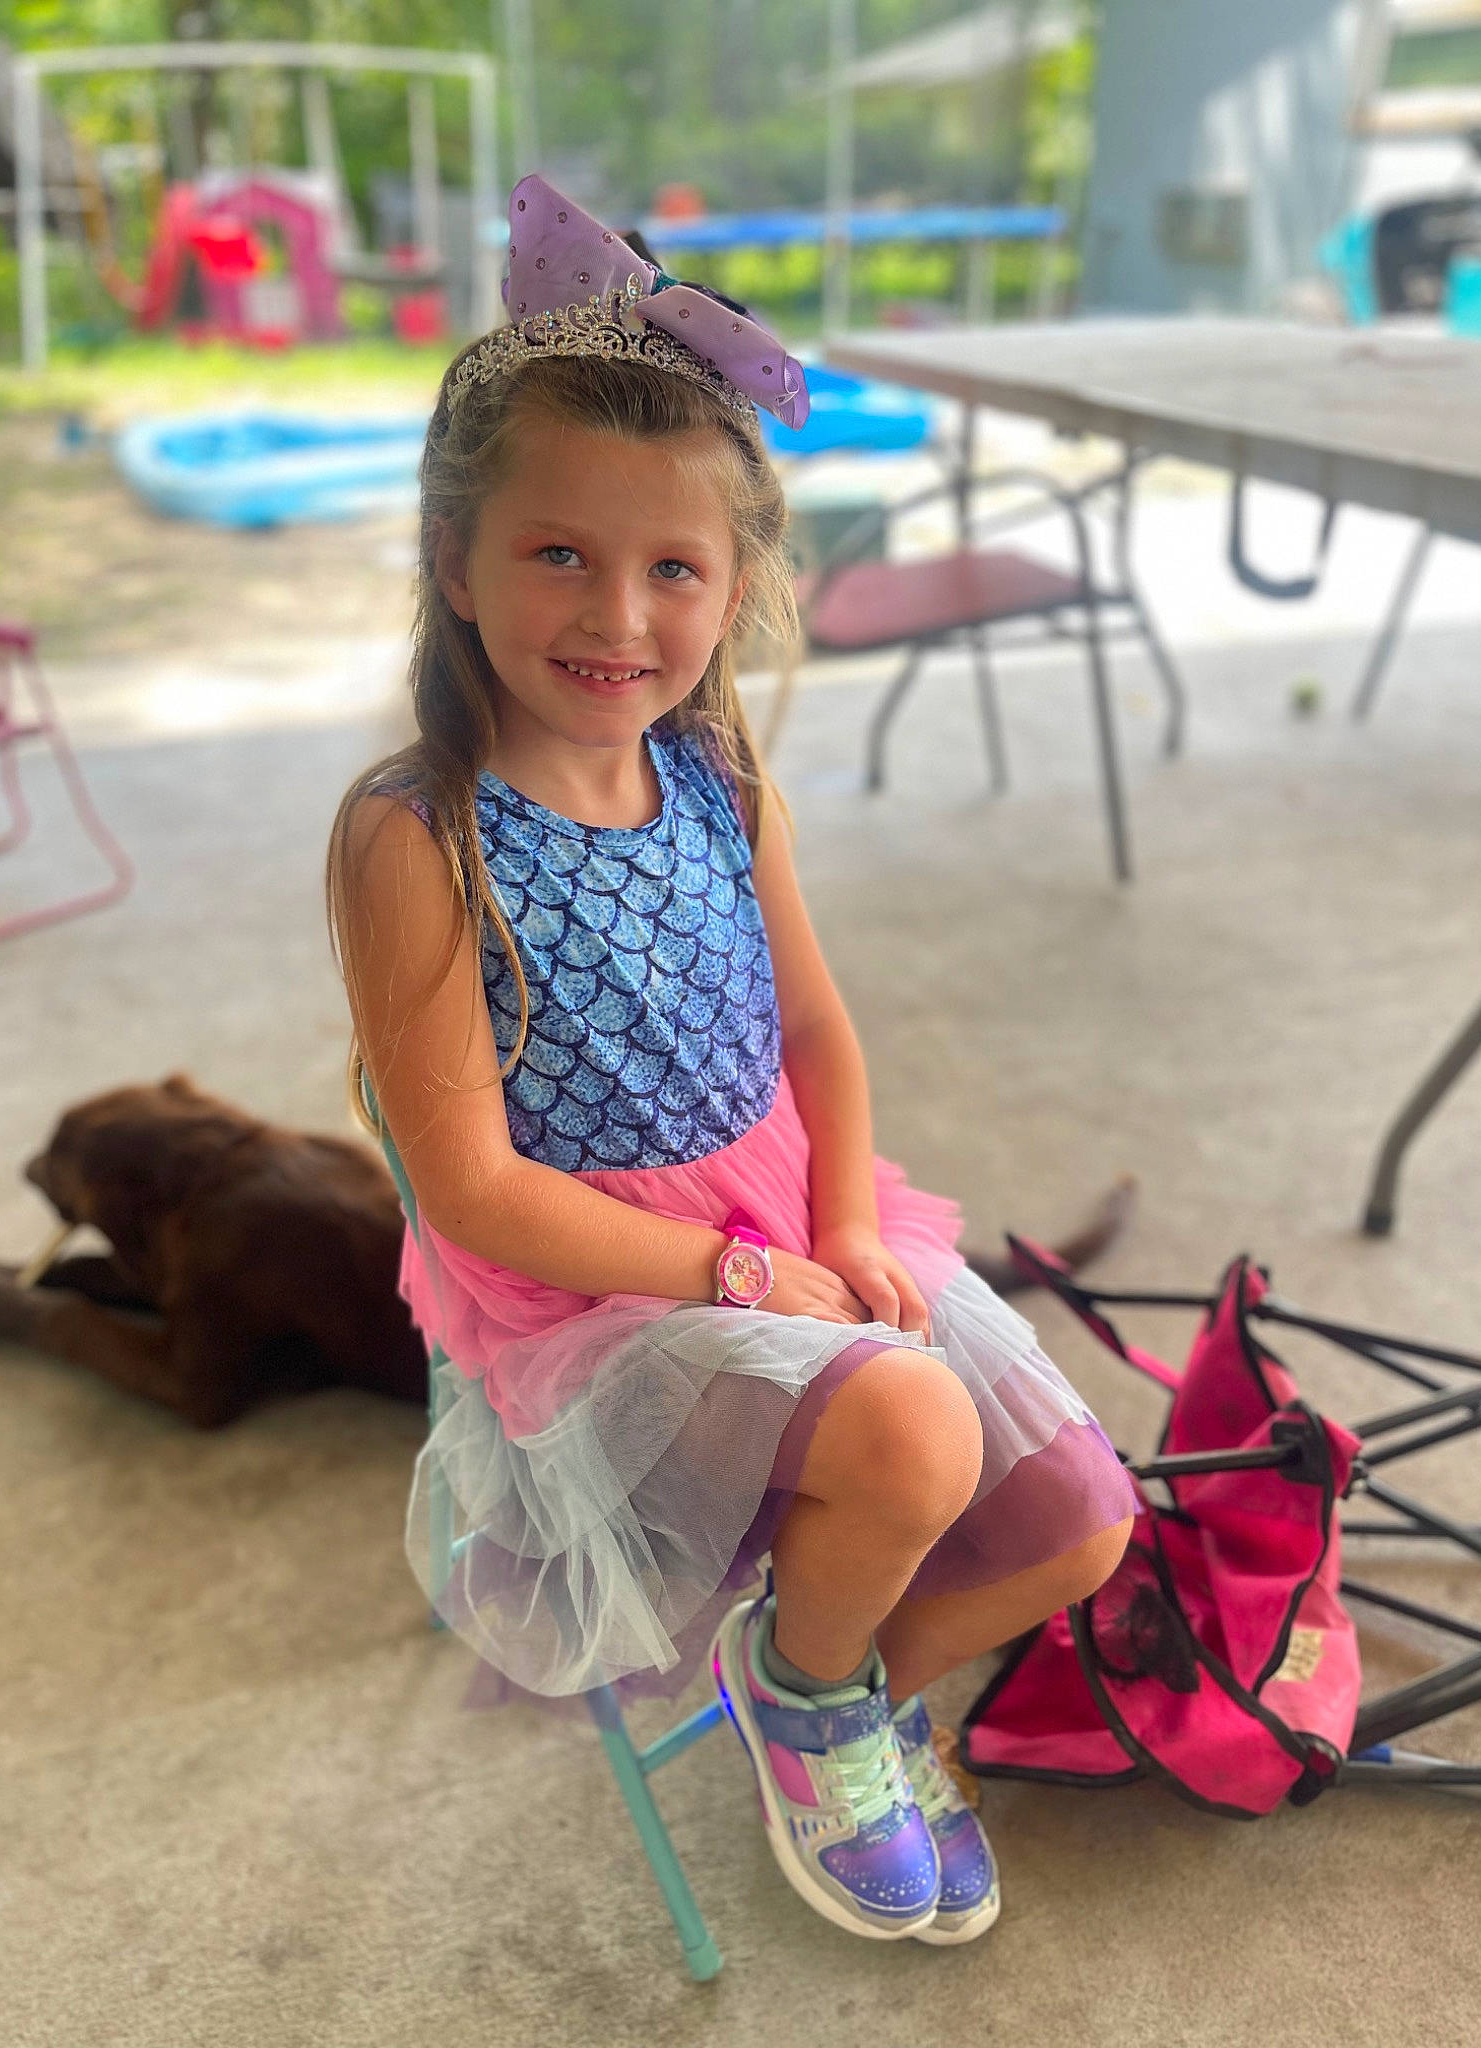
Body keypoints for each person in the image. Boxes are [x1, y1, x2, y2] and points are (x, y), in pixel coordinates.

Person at [326, 175, 1135, 1948]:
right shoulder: (424, 830)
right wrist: (748, 1271)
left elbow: (819, 1033)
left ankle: (820, 1688)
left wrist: (841, 1226)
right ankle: (827, 1691)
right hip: (587, 1286)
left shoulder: (720, 776)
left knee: (1086, 1514)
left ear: (738, 585)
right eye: (560, 553)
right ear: (455, 563)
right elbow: (471, 1185)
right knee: (916, 1428)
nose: (618, 613)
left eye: (673, 567)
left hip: (779, 1211)